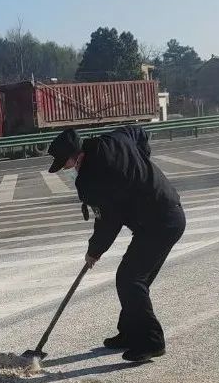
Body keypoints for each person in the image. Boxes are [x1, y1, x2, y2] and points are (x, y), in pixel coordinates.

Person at [47, 126, 186, 363]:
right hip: (166, 215)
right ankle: (130, 333)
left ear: (76, 155)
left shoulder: (93, 178)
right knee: (135, 280)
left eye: (66, 164)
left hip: (159, 224)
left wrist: (94, 251)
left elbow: (108, 221)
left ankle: (151, 341)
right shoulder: (114, 139)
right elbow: (139, 132)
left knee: (130, 279)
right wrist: (142, 163)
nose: (67, 169)